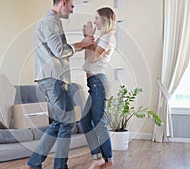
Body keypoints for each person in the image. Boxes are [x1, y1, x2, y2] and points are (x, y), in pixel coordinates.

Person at [25, 0, 94, 169]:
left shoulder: (53, 21)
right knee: (67, 123)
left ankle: (34, 163)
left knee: (60, 122)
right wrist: (82, 44)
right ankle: (59, 166)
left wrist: (82, 42)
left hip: (55, 79)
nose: (72, 11)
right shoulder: (50, 22)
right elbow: (60, 51)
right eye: (71, 6)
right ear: (62, 2)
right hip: (53, 79)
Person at [81, 7, 117, 169]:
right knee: (85, 120)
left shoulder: (107, 37)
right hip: (94, 83)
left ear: (104, 19)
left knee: (99, 122)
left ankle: (108, 159)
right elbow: (89, 57)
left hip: (98, 83)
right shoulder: (103, 37)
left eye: (96, 18)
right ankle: (98, 156)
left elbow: (91, 59)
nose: (95, 21)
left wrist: (89, 36)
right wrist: (87, 38)